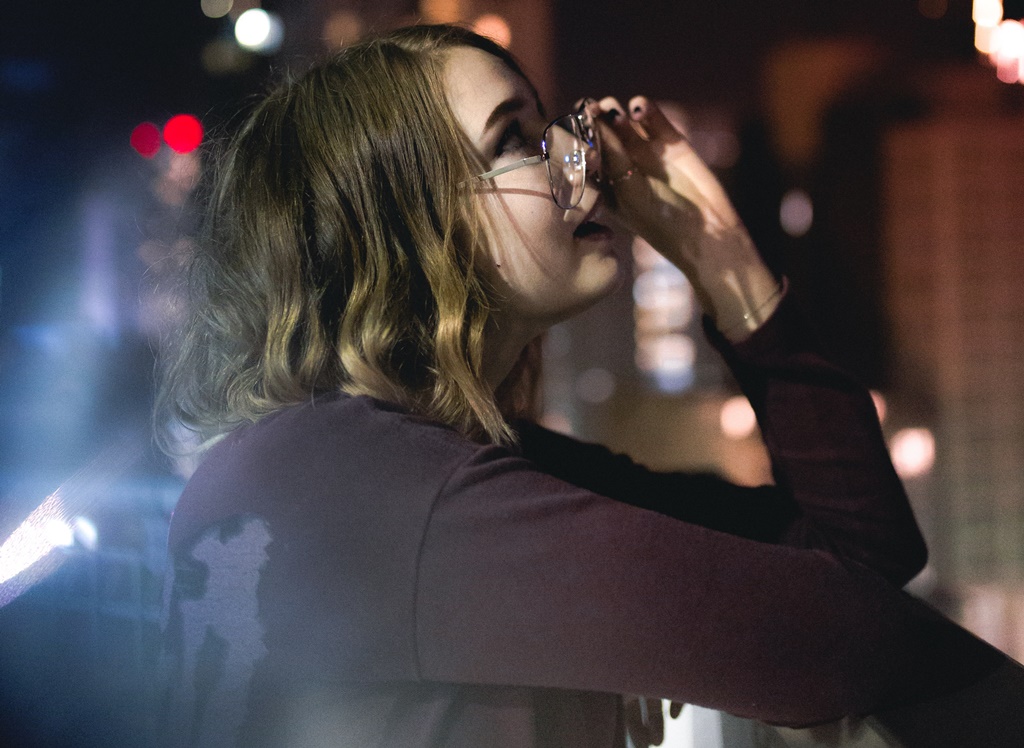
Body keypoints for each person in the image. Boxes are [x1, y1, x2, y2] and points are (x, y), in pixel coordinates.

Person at [155, 23, 998, 748]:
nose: (580, 160)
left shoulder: (351, 466)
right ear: (406, 224)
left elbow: (867, 554)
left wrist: (721, 261)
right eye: (513, 141)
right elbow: (850, 642)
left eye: (549, 127)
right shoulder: (392, 497)